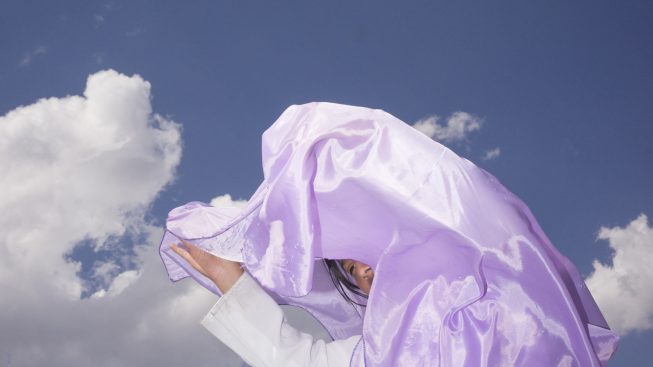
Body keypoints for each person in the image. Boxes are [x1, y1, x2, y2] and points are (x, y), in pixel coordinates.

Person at [160, 102, 618, 366]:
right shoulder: (378, 350)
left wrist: (350, 151)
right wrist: (232, 283)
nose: (358, 267)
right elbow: (298, 360)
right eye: (348, 269)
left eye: (362, 248)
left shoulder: (500, 285)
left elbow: (470, 200)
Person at [170, 240, 370, 367]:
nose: (361, 270)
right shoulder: (374, 350)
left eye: (365, 252)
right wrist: (226, 276)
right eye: (351, 268)